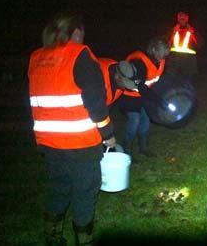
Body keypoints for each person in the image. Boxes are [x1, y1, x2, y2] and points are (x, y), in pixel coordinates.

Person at [28, 12, 116, 246]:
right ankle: (84, 241)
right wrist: (108, 134)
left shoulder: (36, 57)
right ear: (75, 31)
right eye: (82, 33)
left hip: (49, 144)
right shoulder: (80, 54)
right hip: (80, 144)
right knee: (85, 193)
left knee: (59, 188)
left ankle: (52, 236)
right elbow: (96, 101)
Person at [119, 36, 170, 157]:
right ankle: (126, 153)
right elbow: (140, 86)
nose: (162, 58)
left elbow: (157, 79)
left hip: (145, 94)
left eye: (165, 55)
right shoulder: (138, 61)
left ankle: (144, 148)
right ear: (153, 50)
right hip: (130, 95)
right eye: (161, 54)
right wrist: (159, 100)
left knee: (146, 120)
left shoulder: (160, 61)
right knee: (134, 121)